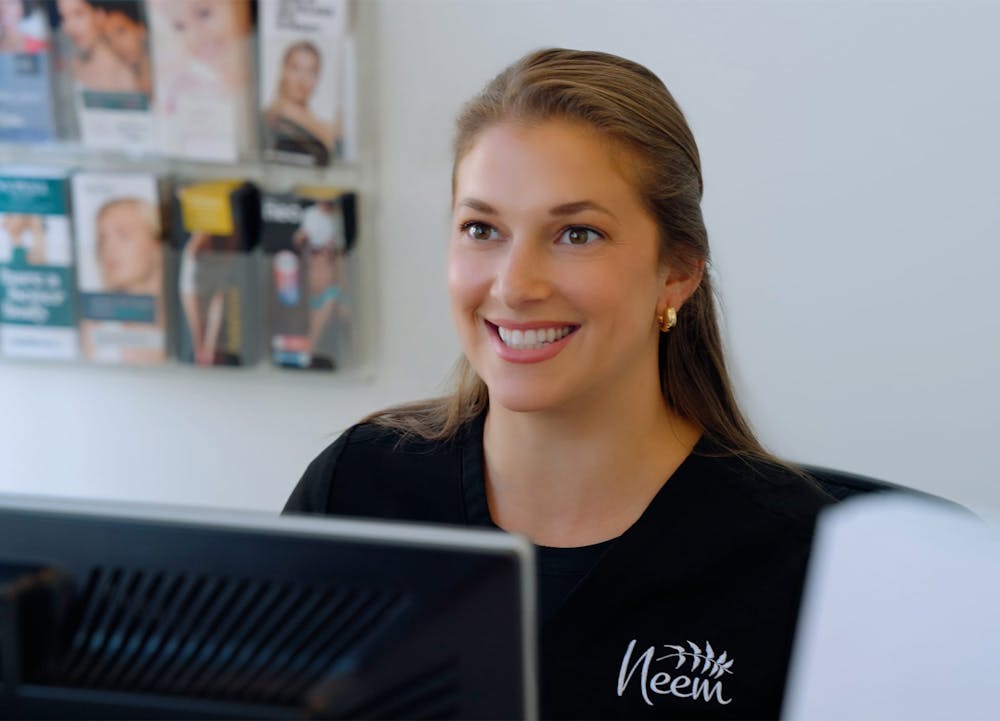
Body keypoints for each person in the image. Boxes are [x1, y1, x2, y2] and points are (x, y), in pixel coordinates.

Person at [284, 48, 834, 719]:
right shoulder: (356, 489)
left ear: (677, 273)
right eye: (482, 228)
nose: (516, 285)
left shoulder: (802, 559)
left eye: (577, 233)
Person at [262, 41, 341, 165]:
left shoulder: (326, 126)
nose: (302, 79)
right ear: (283, 70)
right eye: (295, 68)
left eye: (311, 71)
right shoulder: (271, 117)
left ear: (317, 78)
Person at [55, 0, 136, 92]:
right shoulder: (70, 67)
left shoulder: (123, 75)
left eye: (79, 14)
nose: (71, 26)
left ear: (99, 15)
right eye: (64, 18)